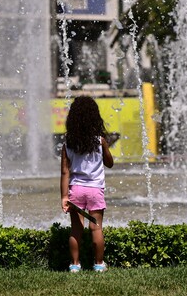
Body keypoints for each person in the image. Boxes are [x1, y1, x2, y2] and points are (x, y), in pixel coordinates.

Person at [60, 96, 114, 273]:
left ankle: (74, 265)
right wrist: (105, 148)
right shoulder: (99, 141)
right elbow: (110, 163)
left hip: (76, 189)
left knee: (76, 230)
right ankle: (99, 264)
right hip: (95, 190)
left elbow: (65, 172)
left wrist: (64, 197)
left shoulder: (68, 142)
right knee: (96, 227)